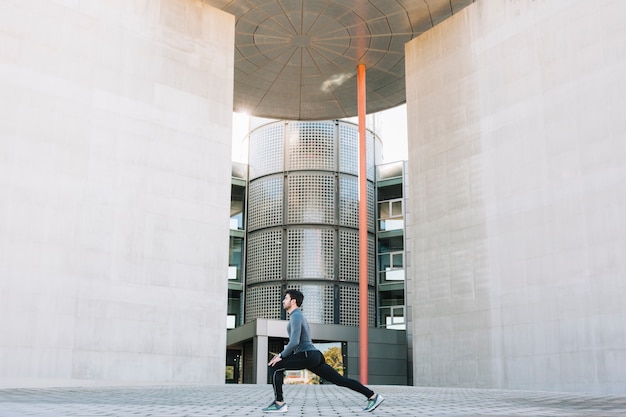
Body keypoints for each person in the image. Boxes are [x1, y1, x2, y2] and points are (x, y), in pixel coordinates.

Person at [262, 289, 384, 413]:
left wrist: (281, 356)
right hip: (314, 356)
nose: (283, 301)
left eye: (285, 298)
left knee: (274, 366)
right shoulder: (297, 316)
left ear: (293, 301)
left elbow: (294, 342)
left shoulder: (296, 315)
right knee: (339, 380)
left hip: (307, 355)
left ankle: (279, 403)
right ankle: (373, 396)